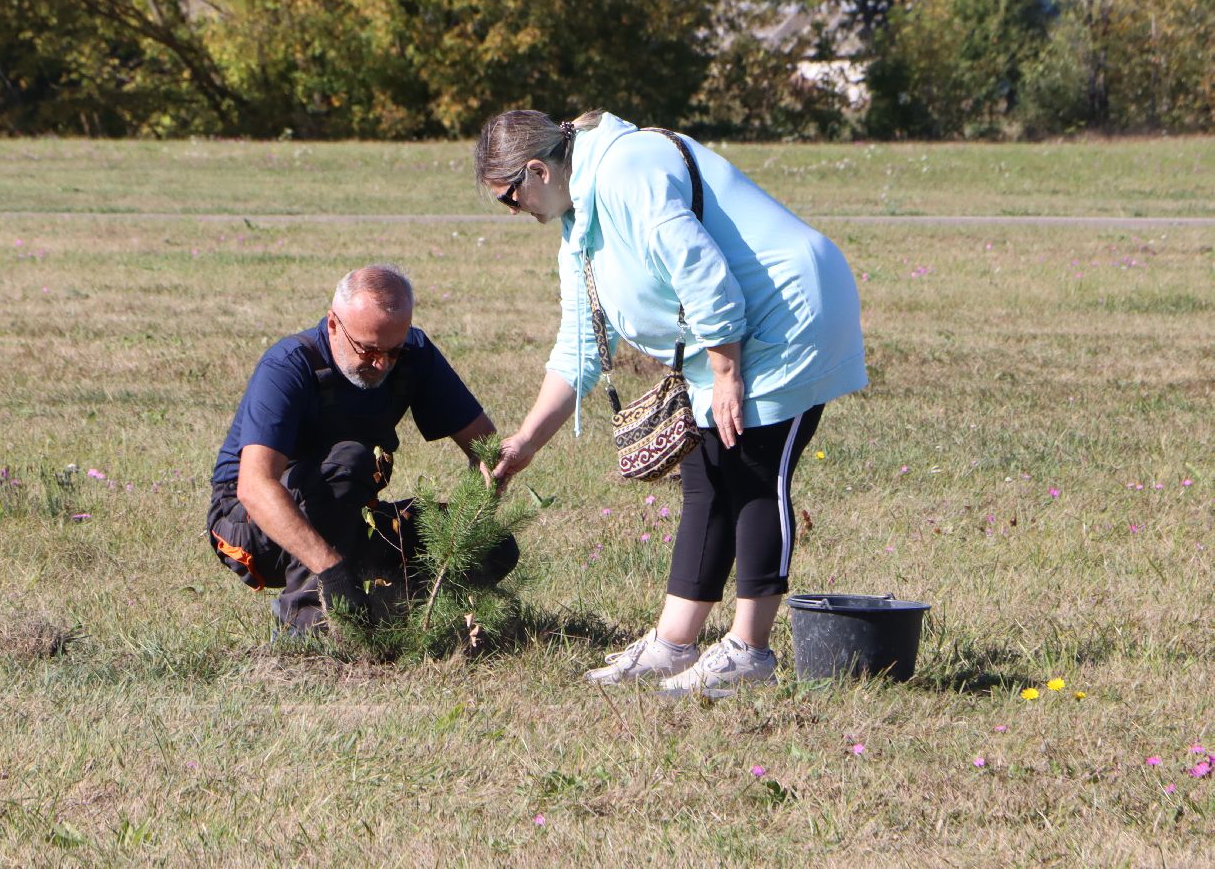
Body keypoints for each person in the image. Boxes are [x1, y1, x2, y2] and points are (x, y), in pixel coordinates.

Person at [476, 110, 866, 698]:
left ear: (538, 170)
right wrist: (525, 443)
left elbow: (703, 273)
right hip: (734, 332)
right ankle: (673, 644)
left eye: (510, 197)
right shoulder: (577, 218)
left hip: (789, 318)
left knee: (754, 470)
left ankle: (750, 651)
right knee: (706, 476)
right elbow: (581, 342)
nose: (514, 211)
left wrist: (728, 372)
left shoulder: (627, 171)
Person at [207, 264, 518, 632]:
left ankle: (395, 622)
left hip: (350, 517)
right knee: (351, 460)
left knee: (494, 549)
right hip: (251, 528)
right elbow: (254, 487)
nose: (382, 363)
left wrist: (467, 523)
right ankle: (310, 632)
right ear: (334, 324)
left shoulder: (414, 355)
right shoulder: (289, 365)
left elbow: (485, 448)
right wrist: (331, 571)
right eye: (368, 349)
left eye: (393, 350)